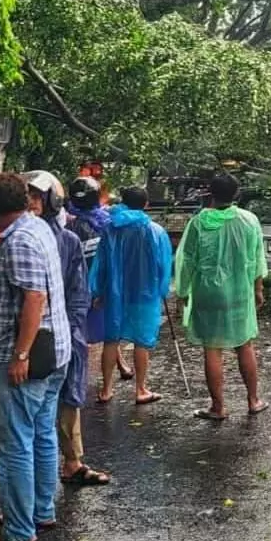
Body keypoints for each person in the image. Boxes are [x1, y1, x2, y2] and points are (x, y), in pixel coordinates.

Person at [0, 174, 71, 541]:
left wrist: (20, 355)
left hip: (30, 360)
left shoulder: (19, 241)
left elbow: (34, 298)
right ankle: (40, 512)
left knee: (14, 445)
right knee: (41, 433)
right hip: (53, 353)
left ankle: (18, 531)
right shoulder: (37, 227)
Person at [23, 171, 111, 489]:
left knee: (68, 399)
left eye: (36, 196)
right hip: (28, 339)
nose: (30, 203)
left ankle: (71, 462)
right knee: (30, 411)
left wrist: (68, 329)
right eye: (27, 196)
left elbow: (78, 292)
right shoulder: (18, 238)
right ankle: (30, 484)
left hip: (62, 335)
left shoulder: (67, 238)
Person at [175, 173, 268, 420]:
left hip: (207, 294)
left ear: (211, 193)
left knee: (212, 348)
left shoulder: (198, 222)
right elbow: (257, 257)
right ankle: (253, 400)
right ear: (236, 194)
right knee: (244, 344)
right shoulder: (249, 220)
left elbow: (187, 260)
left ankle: (218, 407)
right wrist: (258, 288)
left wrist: (182, 292)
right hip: (239, 291)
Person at [89, 186, 173, 405]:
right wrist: (163, 288)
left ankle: (106, 389)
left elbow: (101, 263)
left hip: (114, 291)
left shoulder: (111, 229)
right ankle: (141, 389)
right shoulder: (155, 231)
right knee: (141, 341)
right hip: (145, 292)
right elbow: (164, 264)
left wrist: (98, 290)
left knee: (111, 339)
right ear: (146, 204)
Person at [66, 176, 132, 382]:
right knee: (108, 328)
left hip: (81, 286)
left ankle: (81, 375)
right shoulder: (107, 222)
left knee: (82, 331)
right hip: (102, 284)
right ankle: (113, 369)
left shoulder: (70, 226)